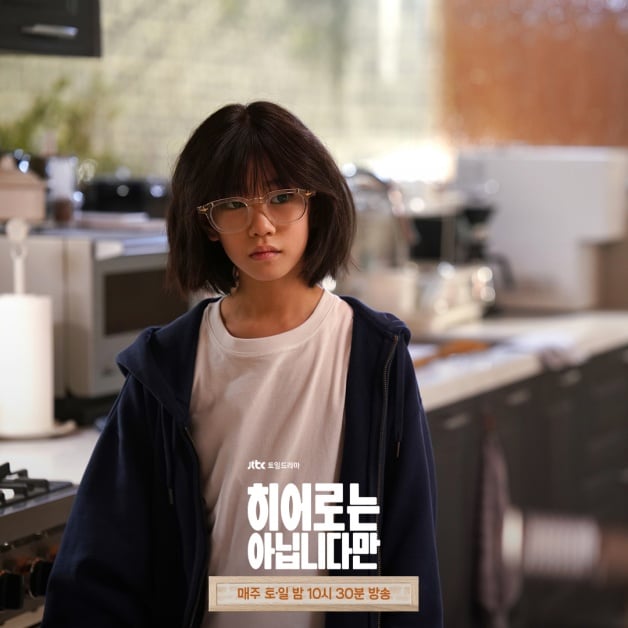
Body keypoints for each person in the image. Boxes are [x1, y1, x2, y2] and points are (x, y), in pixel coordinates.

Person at [42, 101, 443, 628]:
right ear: (207, 224)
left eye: (282, 197)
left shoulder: (376, 356)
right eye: (233, 204)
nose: (261, 225)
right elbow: (98, 562)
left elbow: (409, 560)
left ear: (316, 203)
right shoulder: (165, 367)